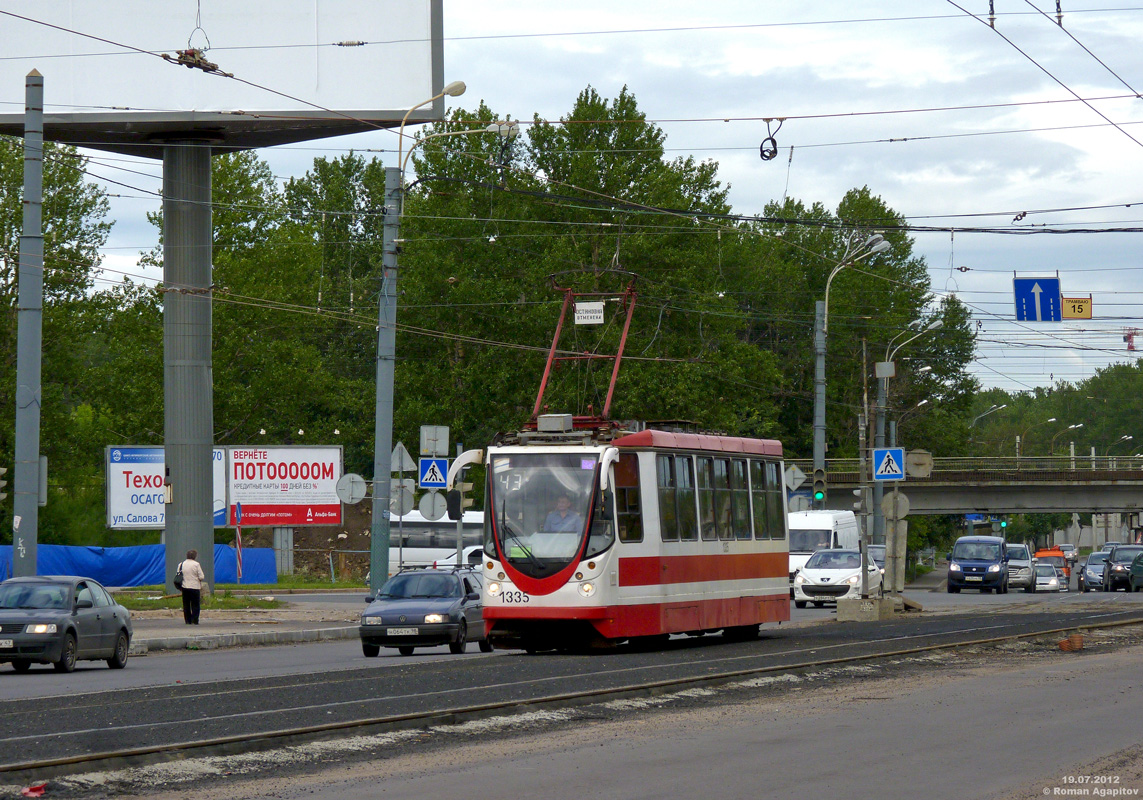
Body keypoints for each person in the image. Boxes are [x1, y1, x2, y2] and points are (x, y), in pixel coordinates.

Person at [178, 549, 207, 625]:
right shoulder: (196, 564)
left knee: (186, 604)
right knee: (195, 604)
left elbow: (178, 574)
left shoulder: (181, 564)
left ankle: (188, 620)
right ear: (195, 556)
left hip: (184, 587)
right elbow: (201, 576)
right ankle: (195, 620)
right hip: (195, 587)